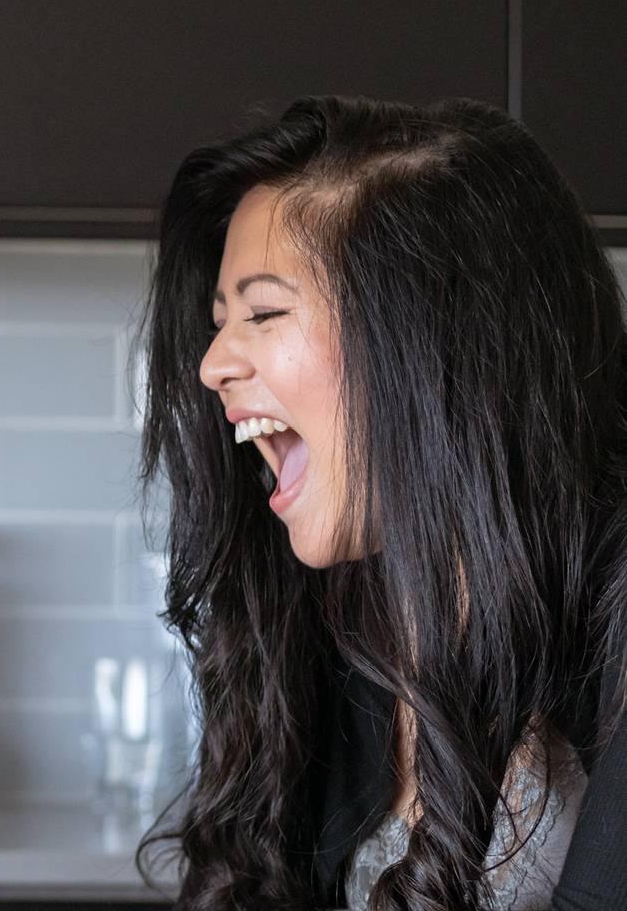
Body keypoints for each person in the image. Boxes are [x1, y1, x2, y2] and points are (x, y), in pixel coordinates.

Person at [140, 95, 627, 910]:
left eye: (264, 312)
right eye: (222, 321)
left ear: (434, 336)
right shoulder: (334, 615)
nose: (213, 363)